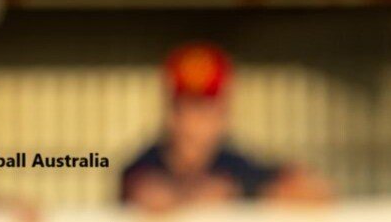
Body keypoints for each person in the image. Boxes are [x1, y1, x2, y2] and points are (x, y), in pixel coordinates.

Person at [121, 42, 332, 211]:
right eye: (190, 106)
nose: (197, 120)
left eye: (208, 107)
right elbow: (144, 190)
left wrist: (241, 193)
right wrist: (189, 198)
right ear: (172, 111)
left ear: (224, 112)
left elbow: (313, 191)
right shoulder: (144, 165)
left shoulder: (237, 166)